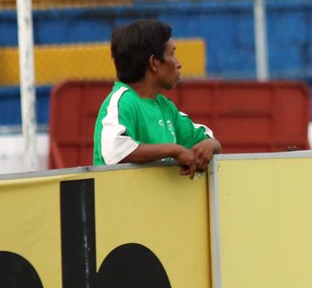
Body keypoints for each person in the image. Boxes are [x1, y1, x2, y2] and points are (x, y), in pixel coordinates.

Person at [93, 19, 221, 175]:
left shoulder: (165, 106)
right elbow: (114, 150)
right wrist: (173, 150)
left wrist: (210, 144)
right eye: (172, 54)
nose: (178, 64)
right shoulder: (121, 102)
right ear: (154, 63)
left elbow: (206, 139)